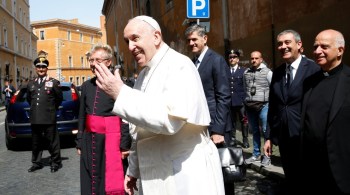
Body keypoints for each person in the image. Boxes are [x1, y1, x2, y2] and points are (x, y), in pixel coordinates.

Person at [94, 16, 225, 195]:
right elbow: (139, 132)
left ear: (156, 37)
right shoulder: (142, 76)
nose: (130, 47)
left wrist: (121, 94)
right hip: (153, 174)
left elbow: (170, 121)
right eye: (127, 41)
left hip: (184, 175)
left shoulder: (179, 65)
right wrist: (133, 170)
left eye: (135, 38)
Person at [263, 30, 320, 193]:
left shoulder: (313, 69)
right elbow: (273, 106)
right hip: (284, 137)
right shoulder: (278, 72)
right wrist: (268, 137)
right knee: (291, 178)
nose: (283, 46)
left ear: (299, 44)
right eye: (280, 43)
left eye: (287, 42)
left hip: (306, 137)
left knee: (309, 179)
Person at [185, 24, 233, 195]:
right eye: (189, 40)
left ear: (204, 39)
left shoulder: (216, 60)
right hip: (200, 126)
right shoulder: (192, 63)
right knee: (207, 173)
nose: (191, 43)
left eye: (194, 39)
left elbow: (224, 96)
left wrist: (218, 129)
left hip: (216, 127)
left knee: (223, 172)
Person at [300, 29, 350, 194]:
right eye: (315, 47)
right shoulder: (309, 82)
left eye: (324, 47)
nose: (317, 51)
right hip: (314, 171)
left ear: (340, 50)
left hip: (342, 170)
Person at [75, 43, 125, 195]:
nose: (92, 64)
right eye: (91, 60)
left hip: (111, 140)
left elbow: (125, 117)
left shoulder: (120, 84)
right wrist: (79, 140)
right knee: (90, 177)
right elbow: (82, 114)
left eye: (97, 60)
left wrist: (124, 144)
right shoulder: (86, 86)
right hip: (90, 139)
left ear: (108, 62)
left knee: (108, 178)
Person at [26, 56, 63, 173]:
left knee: (52, 142)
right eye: (38, 67)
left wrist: (51, 109)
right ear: (36, 69)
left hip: (48, 117)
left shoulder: (54, 83)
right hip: (35, 118)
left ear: (47, 69)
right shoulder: (31, 84)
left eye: (43, 67)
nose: (41, 69)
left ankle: (55, 162)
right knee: (36, 142)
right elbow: (29, 99)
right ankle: (36, 163)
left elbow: (59, 99)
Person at [243, 51, 272, 166]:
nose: (254, 60)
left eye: (256, 58)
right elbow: (245, 88)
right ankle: (256, 154)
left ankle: (267, 156)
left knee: (266, 131)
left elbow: (273, 87)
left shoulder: (268, 72)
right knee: (254, 130)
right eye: (252, 58)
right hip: (250, 106)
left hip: (264, 105)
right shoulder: (246, 72)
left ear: (261, 59)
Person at [227, 49, 249, 148]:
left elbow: (247, 85)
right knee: (232, 121)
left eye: (234, 57)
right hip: (230, 101)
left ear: (238, 59)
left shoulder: (243, 71)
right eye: (230, 57)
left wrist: (245, 99)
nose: (232, 59)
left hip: (241, 101)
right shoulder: (225, 71)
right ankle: (232, 139)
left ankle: (245, 139)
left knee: (244, 121)